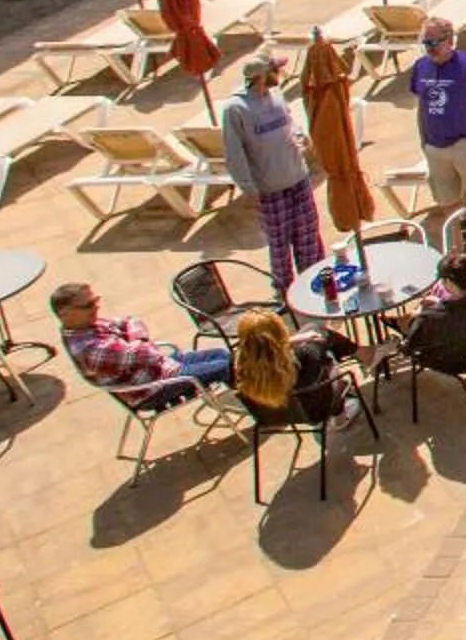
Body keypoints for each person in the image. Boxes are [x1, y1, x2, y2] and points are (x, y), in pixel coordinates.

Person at [221, 53, 321, 293]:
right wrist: (249, 188)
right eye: (274, 70)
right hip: (270, 189)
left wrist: (300, 137)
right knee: (279, 245)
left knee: (308, 235)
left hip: (298, 178)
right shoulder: (236, 109)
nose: (279, 74)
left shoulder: (277, 96)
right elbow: (234, 153)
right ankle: (284, 292)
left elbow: (291, 123)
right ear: (259, 77)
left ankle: (314, 283)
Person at [53, 283, 231, 401]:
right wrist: (141, 342)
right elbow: (144, 354)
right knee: (231, 365)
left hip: (160, 367)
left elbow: (131, 320)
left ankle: (249, 399)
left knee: (224, 355)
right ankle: (255, 408)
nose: (96, 307)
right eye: (88, 305)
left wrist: (138, 342)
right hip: (153, 386)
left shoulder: (87, 325)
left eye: (96, 300)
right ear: (65, 313)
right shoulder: (90, 350)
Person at [406, 16, 466, 210]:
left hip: (465, 145)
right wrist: (424, 140)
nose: (430, 47)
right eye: (426, 42)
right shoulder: (421, 66)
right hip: (435, 148)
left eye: (435, 42)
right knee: (447, 203)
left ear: (450, 41)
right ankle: (456, 241)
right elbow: (422, 105)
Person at [230, 309, 359, 428]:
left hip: (277, 416)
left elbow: (264, 348)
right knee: (326, 351)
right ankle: (340, 416)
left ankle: (364, 353)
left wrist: (293, 340)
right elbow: (320, 345)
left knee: (313, 333)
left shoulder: (236, 366)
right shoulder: (303, 355)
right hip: (316, 412)